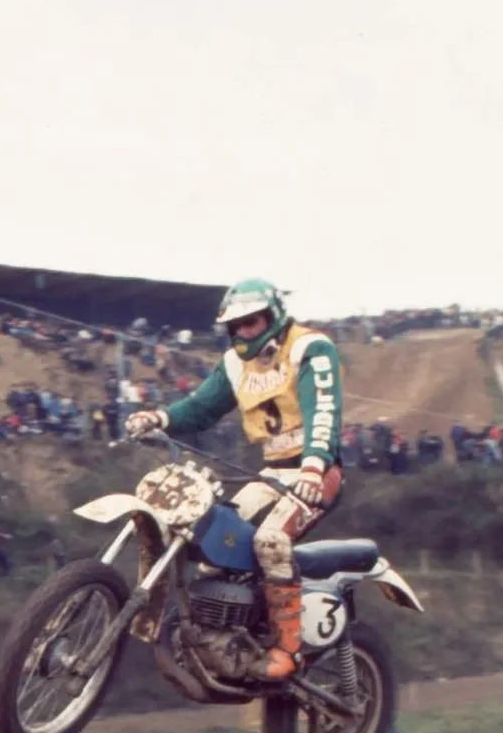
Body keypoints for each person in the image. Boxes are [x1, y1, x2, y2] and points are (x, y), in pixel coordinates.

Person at [123, 278, 344, 680]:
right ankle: (219, 630)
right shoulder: (234, 363)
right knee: (212, 535)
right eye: (236, 325)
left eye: (252, 322)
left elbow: (323, 411)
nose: (244, 331)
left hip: (316, 471)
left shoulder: (309, 348)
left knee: (270, 540)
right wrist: (160, 418)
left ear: (273, 317)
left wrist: (314, 466)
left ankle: (288, 650)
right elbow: (201, 407)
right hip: (272, 471)